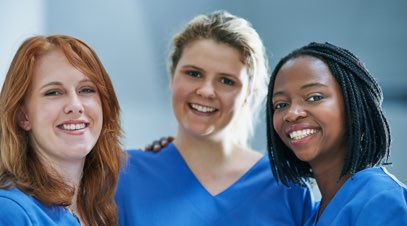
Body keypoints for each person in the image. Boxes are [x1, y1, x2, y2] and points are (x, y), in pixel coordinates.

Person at [116, 10, 313, 226]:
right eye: (194, 74)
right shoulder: (122, 176)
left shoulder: (286, 186)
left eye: (226, 81)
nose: (206, 91)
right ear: (172, 76)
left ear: (248, 94)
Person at [266, 42, 407, 225]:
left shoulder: (381, 200)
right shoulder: (312, 216)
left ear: (354, 106)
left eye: (314, 97)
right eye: (281, 104)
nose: (291, 114)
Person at [0, 35, 125, 226]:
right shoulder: (10, 212)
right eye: (54, 92)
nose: (75, 106)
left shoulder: (100, 209)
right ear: (23, 116)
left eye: (86, 89)